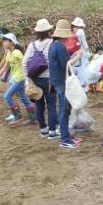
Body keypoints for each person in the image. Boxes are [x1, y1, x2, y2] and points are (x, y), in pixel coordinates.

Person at [0, 32, 34, 125]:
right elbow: (5, 68)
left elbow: (25, 64)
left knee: (7, 96)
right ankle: (33, 117)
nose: (3, 43)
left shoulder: (17, 53)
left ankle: (18, 116)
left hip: (20, 79)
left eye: (5, 41)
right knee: (23, 97)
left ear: (12, 42)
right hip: (16, 78)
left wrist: (28, 80)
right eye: (3, 41)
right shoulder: (9, 53)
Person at [48, 19, 80, 149]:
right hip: (62, 82)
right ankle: (65, 139)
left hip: (56, 81)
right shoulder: (60, 46)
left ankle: (66, 135)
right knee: (64, 110)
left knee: (64, 109)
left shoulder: (53, 45)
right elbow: (66, 64)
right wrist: (78, 56)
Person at [24, 18, 56, 138]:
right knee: (52, 104)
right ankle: (53, 131)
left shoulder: (32, 45)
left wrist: (29, 80)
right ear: (48, 30)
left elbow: (24, 62)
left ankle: (43, 129)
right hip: (49, 79)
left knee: (39, 104)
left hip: (36, 79)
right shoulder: (52, 43)